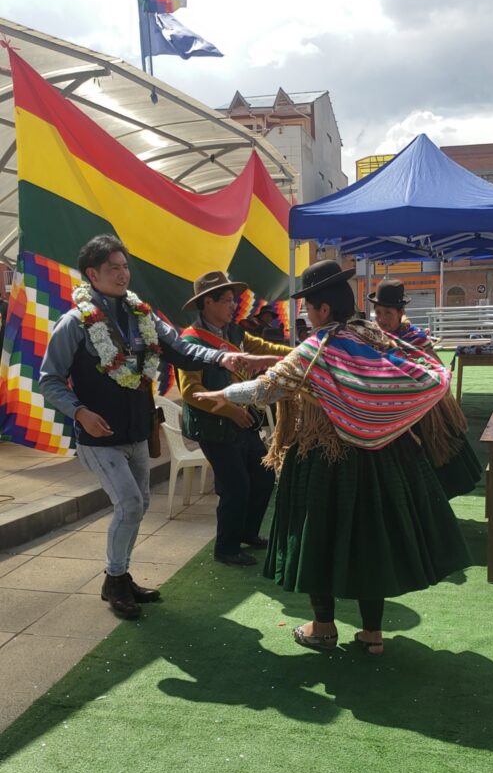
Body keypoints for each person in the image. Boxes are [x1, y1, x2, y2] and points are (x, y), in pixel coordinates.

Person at [193, 260, 471, 655]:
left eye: (309, 307)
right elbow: (412, 366)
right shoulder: (372, 335)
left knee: (318, 541)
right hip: (383, 455)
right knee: (372, 541)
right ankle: (372, 635)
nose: (307, 315)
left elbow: (269, 389)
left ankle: (323, 628)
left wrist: (222, 394)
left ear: (323, 309)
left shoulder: (317, 349)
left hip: (324, 455)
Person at [39, 235, 248, 620]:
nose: (123, 275)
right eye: (113, 268)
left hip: (137, 431)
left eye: (125, 267)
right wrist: (80, 412)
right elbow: (49, 379)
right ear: (92, 274)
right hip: (99, 438)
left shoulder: (142, 315)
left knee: (140, 505)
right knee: (131, 504)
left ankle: (118, 576)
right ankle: (116, 580)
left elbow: (182, 349)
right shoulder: (75, 322)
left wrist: (222, 356)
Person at [178, 271, 291, 567]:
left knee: (264, 476)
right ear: (208, 303)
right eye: (227, 300)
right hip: (213, 426)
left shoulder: (235, 333)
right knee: (235, 487)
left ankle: (247, 533)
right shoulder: (189, 341)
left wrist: (300, 353)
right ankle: (226, 548)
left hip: (242, 421)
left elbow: (266, 349)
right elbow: (190, 391)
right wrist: (231, 409)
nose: (233, 306)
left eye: (233, 300)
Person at [369, 279, 482, 499]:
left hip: (424, 416)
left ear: (401, 313)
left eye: (388, 313)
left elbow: (437, 370)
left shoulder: (416, 340)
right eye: (378, 313)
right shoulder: (374, 340)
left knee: (432, 471)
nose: (381, 319)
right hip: (392, 415)